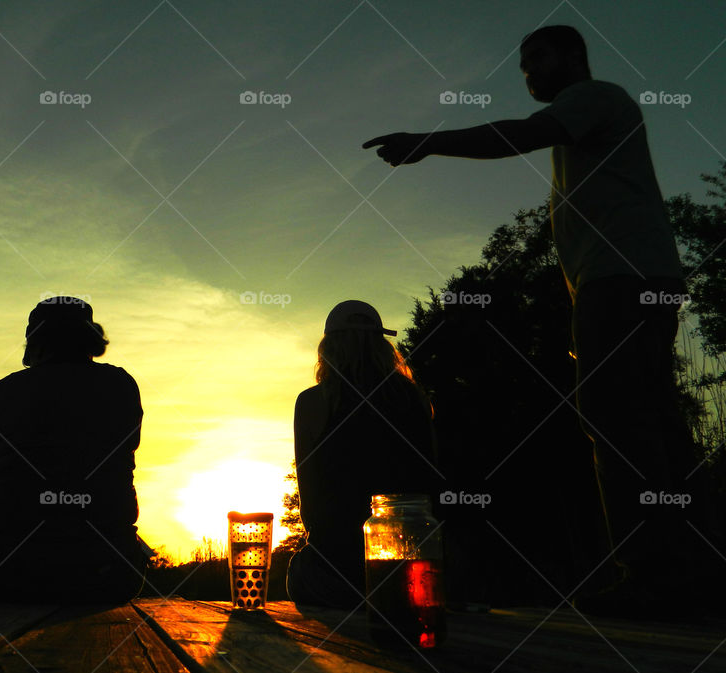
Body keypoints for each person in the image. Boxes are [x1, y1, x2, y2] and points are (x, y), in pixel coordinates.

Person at [363, 25, 722, 616]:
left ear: (574, 56)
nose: (528, 72)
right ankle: (696, 569)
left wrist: (429, 140)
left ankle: (653, 574)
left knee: (613, 413)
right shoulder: (588, 118)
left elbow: (520, 134)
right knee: (652, 418)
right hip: (628, 279)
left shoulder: (593, 99)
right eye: (523, 64)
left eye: (537, 59)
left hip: (621, 279)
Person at [0, 296, 148, 603]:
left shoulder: (3, 393)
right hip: (107, 577)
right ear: (92, 339)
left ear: (34, 343)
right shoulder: (121, 386)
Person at [287, 300, 439, 609]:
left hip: (337, 576)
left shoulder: (313, 402)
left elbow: (310, 507)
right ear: (382, 346)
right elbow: (432, 484)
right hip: (410, 573)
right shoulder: (414, 399)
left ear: (328, 348)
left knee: (298, 572)